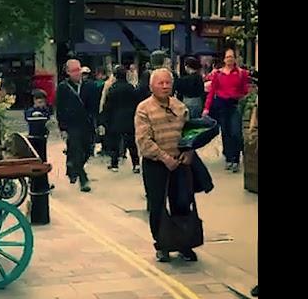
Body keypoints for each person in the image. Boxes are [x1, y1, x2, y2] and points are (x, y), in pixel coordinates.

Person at [135, 68, 198, 263]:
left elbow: (190, 134)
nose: (164, 86)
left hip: (180, 164)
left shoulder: (180, 107)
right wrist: (164, 158)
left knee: (181, 203)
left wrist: (189, 152)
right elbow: (144, 140)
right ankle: (162, 245)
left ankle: (184, 244)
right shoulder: (143, 109)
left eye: (167, 83)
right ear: (151, 86)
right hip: (156, 165)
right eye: (160, 83)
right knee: (158, 206)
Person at [202, 48, 250, 172]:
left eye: (231, 56)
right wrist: (206, 108)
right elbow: (212, 92)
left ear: (235, 58)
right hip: (222, 105)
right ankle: (229, 158)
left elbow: (245, 91)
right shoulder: (218, 74)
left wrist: (242, 100)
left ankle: (236, 159)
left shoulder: (242, 73)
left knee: (236, 133)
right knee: (226, 132)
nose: (229, 59)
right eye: (227, 57)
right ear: (224, 59)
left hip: (235, 105)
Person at [56, 59, 97, 192]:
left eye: (78, 69)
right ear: (68, 72)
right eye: (74, 70)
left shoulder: (89, 86)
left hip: (87, 124)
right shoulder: (63, 87)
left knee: (87, 150)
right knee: (77, 150)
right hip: (72, 125)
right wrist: (62, 128)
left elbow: (95, 106)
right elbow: (60, 108)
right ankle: (83, 178)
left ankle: (72, 166)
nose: (77, 73)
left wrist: (99, 122)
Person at [102, 65, 140, 173]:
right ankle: (136, 163)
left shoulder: (113, 88)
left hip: (115, 118)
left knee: (115, 142)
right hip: (129, 118)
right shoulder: (131, 88)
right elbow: (136, 103)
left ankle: (114, 164)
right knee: (131, 143)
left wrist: (105, 120)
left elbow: (108, 105)